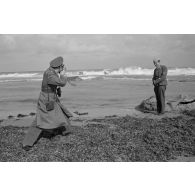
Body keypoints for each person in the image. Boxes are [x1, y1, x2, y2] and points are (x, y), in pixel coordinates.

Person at [22, 56, 73, 151]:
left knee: (61, 112)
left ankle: (66, 131)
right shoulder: (50, 74)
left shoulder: (51, 71)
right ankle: (27, 143)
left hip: (51, 97)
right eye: (62, 66)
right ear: (59, 67)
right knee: (39, 121)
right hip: (47, 99)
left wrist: (57, 89)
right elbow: (62, 82)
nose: (63, 67)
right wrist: (63, 74)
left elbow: (54, 84)